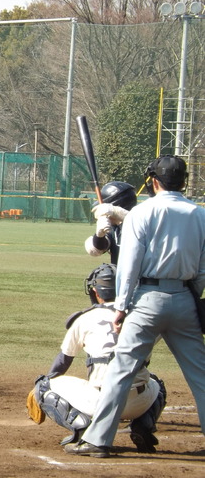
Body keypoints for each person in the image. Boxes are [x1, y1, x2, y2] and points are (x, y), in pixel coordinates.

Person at [66, 155, 205, 458]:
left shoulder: (142, 213)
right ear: (183, 181)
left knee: (120, 371)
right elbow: (203, 268)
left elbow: (128, 267)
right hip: (185, 301)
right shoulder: (200, 215)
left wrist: (121, 307)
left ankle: (99, 439)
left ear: (154, 181)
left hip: (146, 300)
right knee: (201, 374)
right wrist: (193, 298)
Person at [31, 263, 166, 452]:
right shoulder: (142, 319)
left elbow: (62, 363)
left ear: (95, 290)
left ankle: (81, 427)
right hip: (138, 402)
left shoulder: (84, 319)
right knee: (157, 383)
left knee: (43, 385)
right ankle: (144, 424)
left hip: (100, 402)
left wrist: (40, 390)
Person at [85, 181, 138, 264]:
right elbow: (97, 249)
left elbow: (139, 223)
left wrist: (115, 212)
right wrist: (99, 235)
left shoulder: (139, 225)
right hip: (121, 275)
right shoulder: (114, 228)